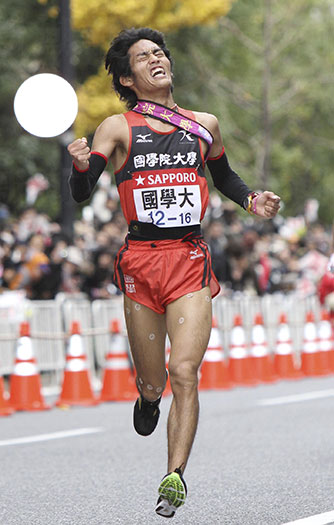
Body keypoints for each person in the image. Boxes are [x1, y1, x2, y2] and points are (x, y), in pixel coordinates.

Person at [67, 27, 281, 518]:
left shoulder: (204, 123)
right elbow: (81, 193)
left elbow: (222, 174)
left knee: (185, 371)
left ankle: (174, 475)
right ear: (127, 76)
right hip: (142, 262)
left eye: (159, 52)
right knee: (154, 381)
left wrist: (252, 199)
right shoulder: (117, 128)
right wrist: (80, 168)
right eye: (143, 57)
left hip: (189, 259)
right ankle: (146, 398)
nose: (156, 59)